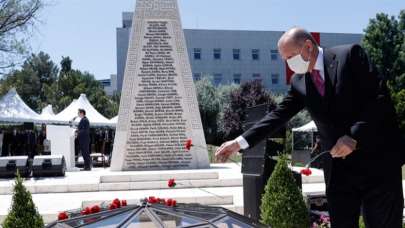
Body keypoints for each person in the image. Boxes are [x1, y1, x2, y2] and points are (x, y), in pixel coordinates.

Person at [215, 27, 404, 227]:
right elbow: (278, 115)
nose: (288, 63)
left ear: (308, 46)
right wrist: (239, 143)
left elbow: (379, 99)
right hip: (340, 171)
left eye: (290, 56)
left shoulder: (350, 55)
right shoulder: (300, 81)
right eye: (284, 59)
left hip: (378, 164)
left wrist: (353, 136)